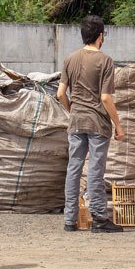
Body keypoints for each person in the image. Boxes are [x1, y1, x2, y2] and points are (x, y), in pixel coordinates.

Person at [57, 15, 126, 233]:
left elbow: (60, 93)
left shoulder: (70, 59)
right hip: (98, 124)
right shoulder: (105, 61)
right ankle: (99, 219)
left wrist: (73, 110)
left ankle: (70, 220)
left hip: (76, 122)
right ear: (100, 36)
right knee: (95, 171)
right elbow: (106, 98)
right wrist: (119, 125)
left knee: (74, 168)